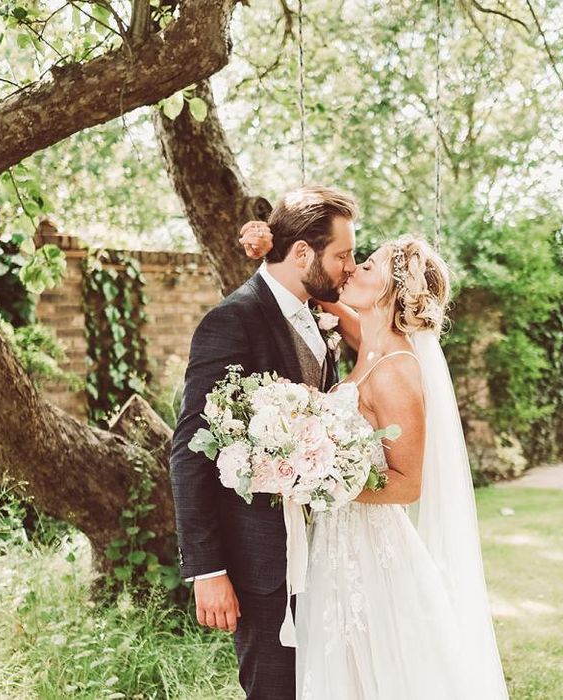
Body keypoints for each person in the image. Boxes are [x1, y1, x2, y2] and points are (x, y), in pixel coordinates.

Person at [240, 223, 509, 698]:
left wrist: (321, 478)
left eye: (367, 265)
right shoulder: (369, 344)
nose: (353, 267)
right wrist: (268, 249)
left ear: (390, 289)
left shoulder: (396, 371)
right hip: (338, 542)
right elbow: (310, 291)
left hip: (371, 551)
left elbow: (407, 485)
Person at [169, 185, 358, 700]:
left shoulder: (320, 318)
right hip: (263, 566)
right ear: (302, 254)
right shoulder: (232, 320)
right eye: (342, 255)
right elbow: (190, 449)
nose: (350, 267)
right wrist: (207, 568)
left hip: (323, 552)